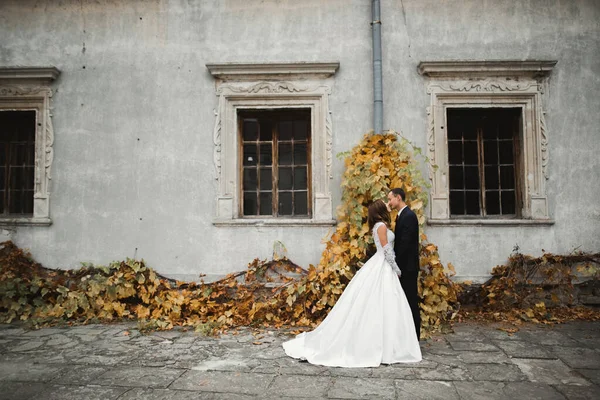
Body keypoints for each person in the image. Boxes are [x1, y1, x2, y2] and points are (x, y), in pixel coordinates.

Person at [282, 199, 422, 368]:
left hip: (380, 264)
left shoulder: (379, 225)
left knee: (386, 303)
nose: (387, 204)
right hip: (383, 265)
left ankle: (388, 343)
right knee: (383, 301)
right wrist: (396, 269)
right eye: (384, 203)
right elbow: (386, 250)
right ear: (379, 210)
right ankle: (386, 345)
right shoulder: (382, 227)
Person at [387, 188, 421, 340]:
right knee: (404, 301)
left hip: (407, 267)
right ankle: (407, 337)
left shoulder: (409, 216)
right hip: (404, 266)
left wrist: (396, 265)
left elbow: (405, 244)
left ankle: (415, 337)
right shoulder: (402, 216)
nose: (389, 202)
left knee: (411, 301)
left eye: (390, 199)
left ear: (398, 198)